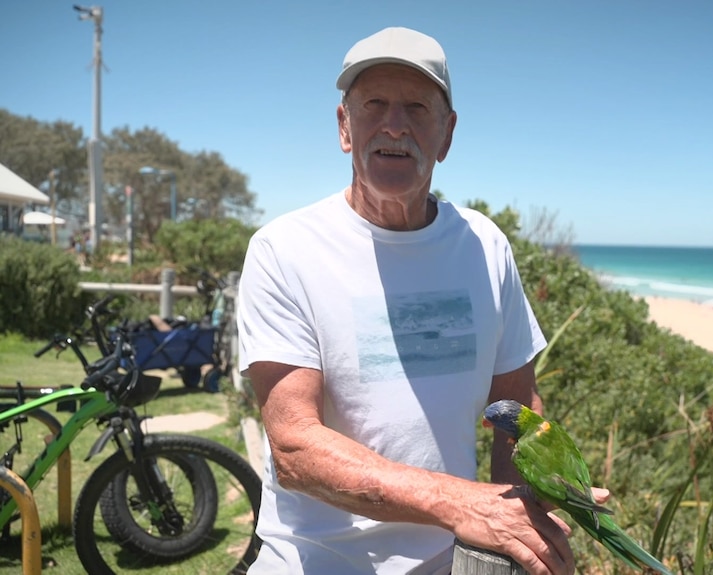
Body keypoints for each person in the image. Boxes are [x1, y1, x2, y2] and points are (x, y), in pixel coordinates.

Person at [237, 27, 608, 575]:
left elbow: (519, 403)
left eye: (416, 107)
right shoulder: (285, 249)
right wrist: (463, 504)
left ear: (446, 134)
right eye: (374, 105)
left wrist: (518, 528)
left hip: (458, 561)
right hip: (316, 562)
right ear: (344, 126)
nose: (394, 125)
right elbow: (295, 448)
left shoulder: (483, 244)